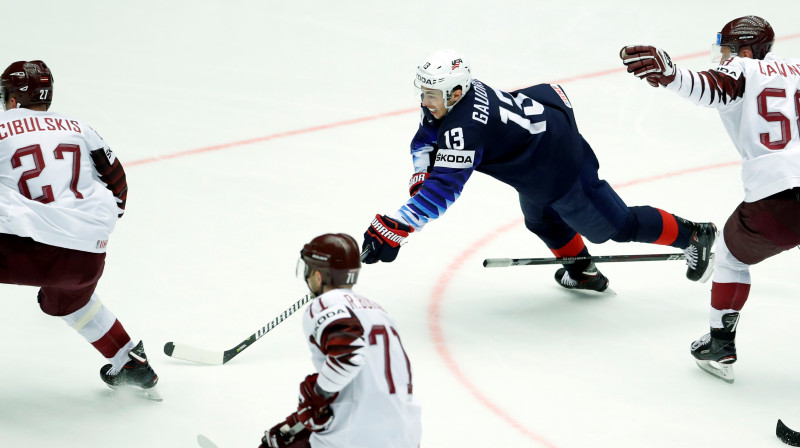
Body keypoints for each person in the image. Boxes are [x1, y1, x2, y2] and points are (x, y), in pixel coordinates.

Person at [361, 49, 717, 293]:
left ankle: (694, 235)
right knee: (542, 220)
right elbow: (424, 139)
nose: (425, 102)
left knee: (615, 226)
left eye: (431, 95)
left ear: (455, 92)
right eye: (423, 92)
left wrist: (397, 226)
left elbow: (443, 192)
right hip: (538, 152)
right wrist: (420, 174)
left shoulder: (464, 129)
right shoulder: (451, 99)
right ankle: (582, 272)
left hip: (560, 166)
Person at [620, 15, 800, 382]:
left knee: (731, 256)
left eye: (725, 51)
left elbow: (712, 87)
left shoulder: (744, 68)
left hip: (777, 196)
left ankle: (720, 344)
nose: (722, 58)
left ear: (745, 50)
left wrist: (671, 75)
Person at [0, 60, 160, 399]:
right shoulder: (79, 127)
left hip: (19, 252)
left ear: (13, 98)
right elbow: (117, 183)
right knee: (68, 302)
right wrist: (90, 231)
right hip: (86, 257)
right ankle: (129, 361)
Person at [260, 233, 422, 448]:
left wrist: (318, 396)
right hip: (406, 433)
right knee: (290, 433)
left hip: (355, 435)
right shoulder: (379, 311)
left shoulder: (326, 304)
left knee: (278, 443)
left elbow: (348, 355)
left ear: (318, 276)